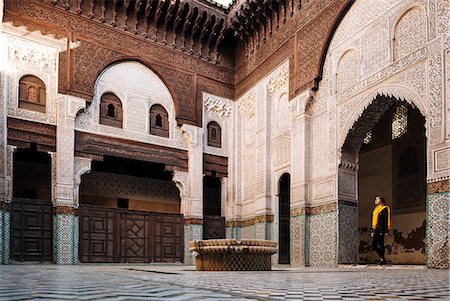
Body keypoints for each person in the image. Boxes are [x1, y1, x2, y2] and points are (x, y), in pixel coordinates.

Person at [371, 195, 391, 265]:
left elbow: (386, 219)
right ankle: (382, 258)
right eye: (375, 199)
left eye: (377, 199)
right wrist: (373, 230)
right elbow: (374, 221)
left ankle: (382, 259)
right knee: (374, 244)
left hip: (382, 229)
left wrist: (386, 231)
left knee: (380, 244)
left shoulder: (385, 208)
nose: (375, 200)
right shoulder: (376, 209)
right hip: (376, 229)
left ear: (381, 200)